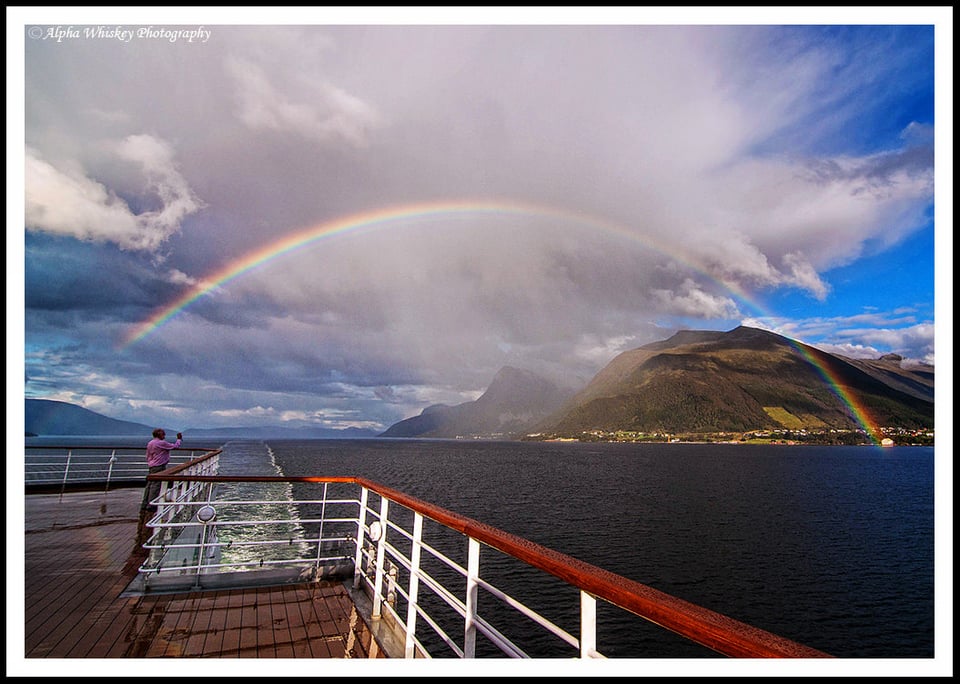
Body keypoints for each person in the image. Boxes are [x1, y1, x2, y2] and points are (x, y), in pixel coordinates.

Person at [142, 428, 182, 513]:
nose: (164, 435)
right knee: (156, 485)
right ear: (159, 435)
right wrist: (179, 439)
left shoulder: (150, 443)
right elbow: (175, 446)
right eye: (163, 434)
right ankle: (151, 505)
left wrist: (150, 462)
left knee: (149, 484)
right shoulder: (161, 443)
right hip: (159, 466)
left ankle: (145, 503)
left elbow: (148, 455)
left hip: (152, 465)